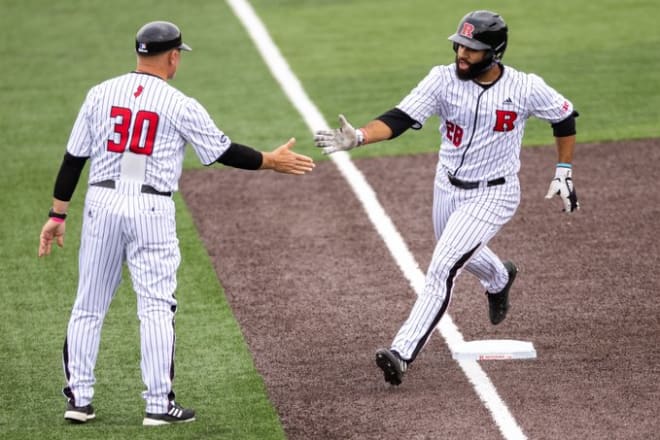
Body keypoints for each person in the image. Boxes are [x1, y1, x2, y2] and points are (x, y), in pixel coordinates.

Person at [38, 20, 315, 425]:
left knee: (89, 304)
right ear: (172, 57)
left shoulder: (99, 94)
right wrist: (270, 161)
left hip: (101, 201)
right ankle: (157, 404)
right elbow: (222, 151)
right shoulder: (179, 103)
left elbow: (73, 159)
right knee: (154, 307)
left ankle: (78, 400)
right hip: (151, 209)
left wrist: (57, 214)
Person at [314, 10, 578, 386]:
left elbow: (565, 116)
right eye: (460, 45)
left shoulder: (525, 87)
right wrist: (359, 136)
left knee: (442, 267)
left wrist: (564, 169)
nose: (462, 54)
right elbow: (400, 117)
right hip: (447, 187)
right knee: (457, 253)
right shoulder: (442, 79)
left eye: (472, 50)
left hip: (495, 192)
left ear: (494, 53)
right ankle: (500, 278)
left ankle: (402, 353)